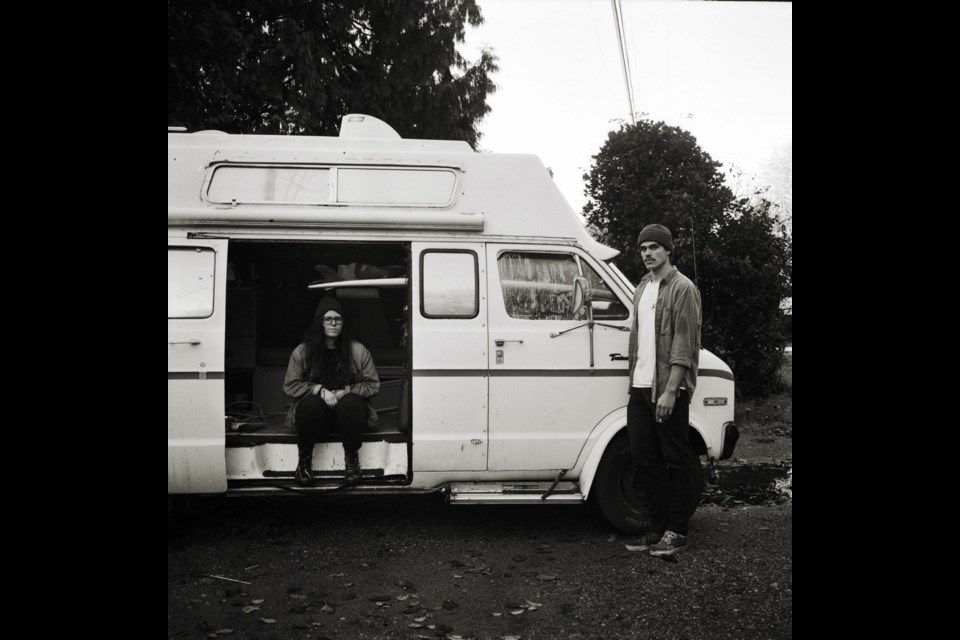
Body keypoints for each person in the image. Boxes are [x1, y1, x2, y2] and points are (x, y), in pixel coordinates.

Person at [623, 224, 702, 556]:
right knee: (644, 457)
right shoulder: (642, 287)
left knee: (677, 458)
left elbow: (685, 343)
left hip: (667, 388)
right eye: (643, 249)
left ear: (669, 250)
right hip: (640, 386)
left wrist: (671, 390)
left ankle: (677, 531)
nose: (647, 254)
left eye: (654, 247)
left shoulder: (683, 288)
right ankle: (656, 530)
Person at [282, 296, 380, 485]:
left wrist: (346, 392)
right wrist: (319, 390)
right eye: (328, 319)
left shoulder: (358, 350)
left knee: (352, 401)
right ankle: (304, 462)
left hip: (349, 420)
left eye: (338, 319)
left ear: (343, 323)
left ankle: (351, 460)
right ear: (320, 323)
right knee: (310, 404)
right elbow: (290, 385)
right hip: (315, 419)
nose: (334, 323)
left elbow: (373, 385)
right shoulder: (302, 352)